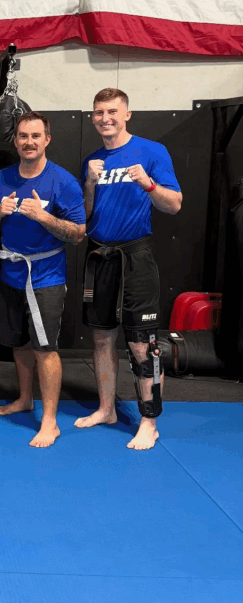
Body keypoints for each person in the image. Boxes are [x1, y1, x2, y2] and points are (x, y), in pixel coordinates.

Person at [75, 88, 182, 450]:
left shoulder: (152, 151)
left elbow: (175, 205)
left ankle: (149, 421)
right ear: (92, 117)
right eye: (98, 112)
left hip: (136, 255)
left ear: (127, 114)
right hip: (99, 254)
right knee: (102, 337)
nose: (105, 118)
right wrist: (89, 181)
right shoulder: (92, 160)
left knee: (142, 344)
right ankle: (106, 408)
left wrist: (148, 184)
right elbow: (86, 215)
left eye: (112, 112)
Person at [0, 111, 86, 448]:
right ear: (16, 141)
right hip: (11, 272)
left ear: (47, 139)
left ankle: (50, 420)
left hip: (46, 276)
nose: (29, 142)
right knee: (19, 345)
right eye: (23, 136)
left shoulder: (63, 182)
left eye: (35, 136)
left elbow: (78, 233)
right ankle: (25, 399)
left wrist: (43, 216)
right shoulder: (2, 179)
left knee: (45, 348)